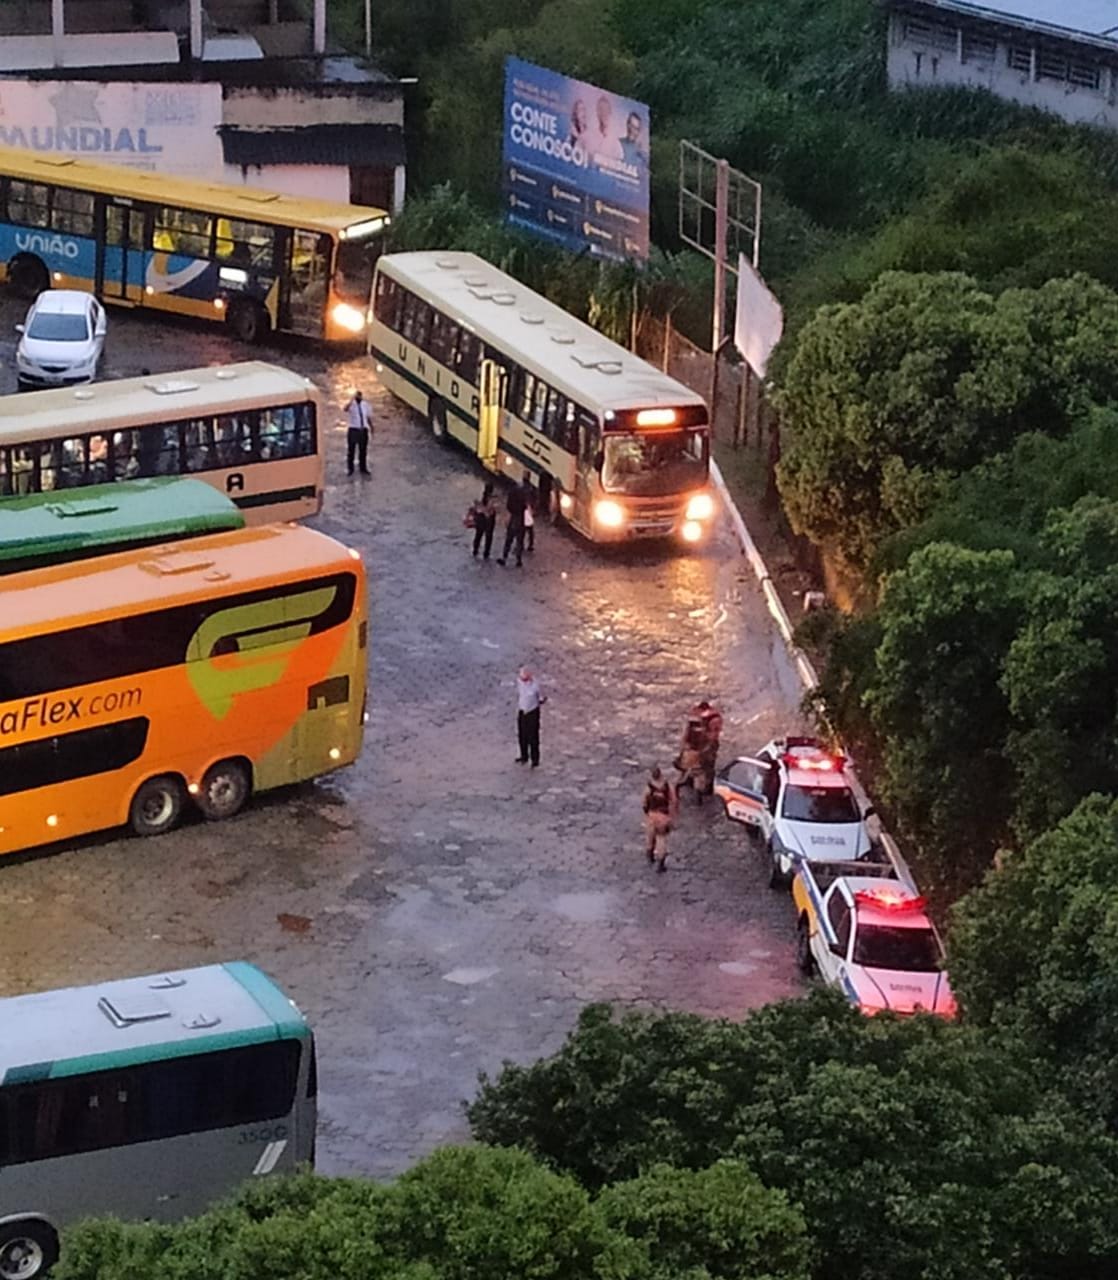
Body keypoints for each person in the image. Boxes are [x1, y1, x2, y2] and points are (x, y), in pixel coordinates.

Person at [642, 766, 677, 873]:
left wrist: (647, 812)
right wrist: (672, 815)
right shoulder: (667, 786)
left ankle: (650, 855)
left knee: (650, 835)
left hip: (652, 815)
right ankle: (661, 863)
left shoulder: (648, 788)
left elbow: (644, 802)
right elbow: (674, 800)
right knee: (661, 838)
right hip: (663, 816)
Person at [515, 666, 547, 767]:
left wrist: (537, 703)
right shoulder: (519, 682)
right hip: (522, 711)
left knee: (533, 737)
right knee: (522, 735)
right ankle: (524, 756)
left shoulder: (536, 686)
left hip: (532, 712)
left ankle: (535, 759)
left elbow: (542, 698)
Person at [497, 478, 528, 567]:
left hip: (514, 520)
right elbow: (525, 507)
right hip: (521, 521)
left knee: (509, 540)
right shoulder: (523, 496)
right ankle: (518, 560)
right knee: (519, 541)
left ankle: (504, 558)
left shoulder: (512, 495)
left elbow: (509, 507)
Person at [345, 390, 372, 476]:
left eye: (360, 396)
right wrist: (351, 399)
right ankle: (350, 469)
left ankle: (363, 468)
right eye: (357, 396)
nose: (359, 398)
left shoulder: (365, 405)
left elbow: (368, 416)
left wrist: (371, 427)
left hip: (363, 429)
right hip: (353, 429)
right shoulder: (351, 405)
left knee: (363, 450)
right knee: (351, 450)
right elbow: (345, 409)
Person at [592, 95, 624, 163]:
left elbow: (620, 165)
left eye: (606, 110)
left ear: (610, 113)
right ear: (597, 112)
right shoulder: (588, 136)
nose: (604, 113)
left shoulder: (615, 143)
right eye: (601, 110)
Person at [471, 483, 497, 559]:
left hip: (480, 519)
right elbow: (492, 511)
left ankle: (475, 550)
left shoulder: (480, 497)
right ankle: (486, 553)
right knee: (488, 537)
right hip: (489, 521)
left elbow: (475, 506)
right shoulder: (493, 499)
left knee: (478, 535)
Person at [521, 473, 537, 553]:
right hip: (529, 509)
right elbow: (535, 498)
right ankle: (530, 545)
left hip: (523, 509)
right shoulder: (532, 488)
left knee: (522, 529)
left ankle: (521, 544)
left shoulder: (520, 488)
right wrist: (533, 508)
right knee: (530, 529)